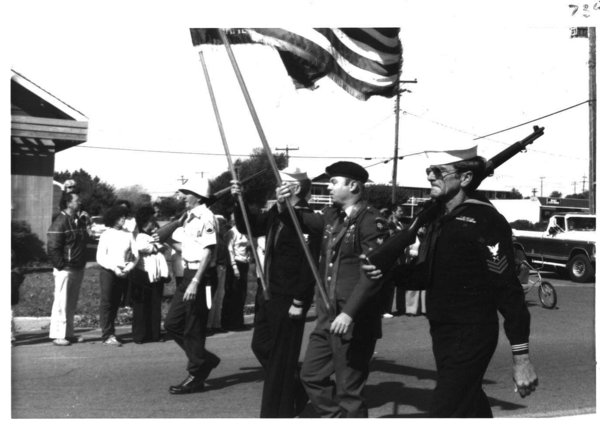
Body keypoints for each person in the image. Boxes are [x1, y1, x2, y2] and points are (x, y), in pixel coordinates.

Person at [365, 147, 538, 417]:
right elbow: (426, 275)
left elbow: (506, 288)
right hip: (442, 329)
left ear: (466, 178)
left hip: (472, 333)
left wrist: (521, 357)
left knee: (444, 410)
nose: (431, 177)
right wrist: (388, 272)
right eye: (429, 171)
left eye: (439, 172)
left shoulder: (486, 220)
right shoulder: (438, 219)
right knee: (469, 406)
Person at [277, 161, 389, 418]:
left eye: (334, 182)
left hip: (353, 317)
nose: (328, 187)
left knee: (349, 390)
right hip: (328, 314)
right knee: (311, 375)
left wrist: (349, 313)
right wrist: (284, 203)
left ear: (353, 186)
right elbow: (300, 222)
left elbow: (371, 276)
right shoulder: (331, 216)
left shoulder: (371, 221)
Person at [230, 166, 319, 418]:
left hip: (289, 298)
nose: (277, 186)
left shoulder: (306, 218)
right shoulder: (276, 212)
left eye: (284, 182)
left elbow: (308, 265)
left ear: (297, 188)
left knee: (281, 359)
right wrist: (240, 200)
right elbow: (250, 227)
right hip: (267, 292)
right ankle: (299, 384)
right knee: (261, 346)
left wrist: (300, 300)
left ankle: (277, 413)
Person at [164, 177, 220, 395]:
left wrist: (196, 281)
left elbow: (208, 250)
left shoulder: (206, 217)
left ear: (196, 196)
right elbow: (187, 248)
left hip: (201, 276)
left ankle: (196, 374)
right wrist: (167, 239)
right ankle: (205, 359)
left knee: (193, 328)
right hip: (188, 272)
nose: (182, 197)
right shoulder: (188, 217)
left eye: (186, 193)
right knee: (172, 324)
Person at [47, 192, 89, 346]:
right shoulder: (60, 221)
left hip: (77, 267)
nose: (80, 202)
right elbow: (53, 246)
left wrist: (85, 222)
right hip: (65, 268)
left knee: (71, 303)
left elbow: (84, 241)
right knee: (61, 302)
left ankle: (68, 333)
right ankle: (58, 335)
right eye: (77, 200)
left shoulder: (77, 220)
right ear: (68, 203)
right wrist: (60, 265)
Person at [96, 205, 139, 346]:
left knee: (115, 303)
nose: (123, 219)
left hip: (123, 272)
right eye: (120, 217)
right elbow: (100, 257)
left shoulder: (128, 234)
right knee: (107, 302)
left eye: (124, 217)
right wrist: (114, 268)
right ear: (112, 218)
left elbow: (135, 255)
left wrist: (128, 268)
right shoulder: (106, 235)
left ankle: (111, 332)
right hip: (108, 272)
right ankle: (107, 334)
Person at [131, 205, 169, 344]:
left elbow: (165, 247)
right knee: (141, 306)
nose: (153, 223)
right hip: (143, 274)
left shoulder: (152, 235)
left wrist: (158, 246)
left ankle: (154, 334)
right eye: (150, 221)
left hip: (156, 275)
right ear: (144, 222)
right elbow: (142, 247)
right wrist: (156, 247)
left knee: (155, 305)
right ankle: (140, 335)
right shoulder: (139, 235)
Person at [221, 213, 251, 331]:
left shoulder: (245, 232)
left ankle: (238, 321)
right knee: (233, 294)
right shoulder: (231, 233)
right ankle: (229, 322)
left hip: (244, 263)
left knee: (241, 294)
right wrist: (234, 267)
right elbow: (230, 250)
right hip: (236, 264)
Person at [207, 214, 228, 333]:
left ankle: (216, 323)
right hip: (216, 268)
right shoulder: (213, 238)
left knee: (220, 296)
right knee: (212, 298)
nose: (223, 226)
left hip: (222, 267)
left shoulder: (222, 238)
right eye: (221, 223)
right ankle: (209, 325)